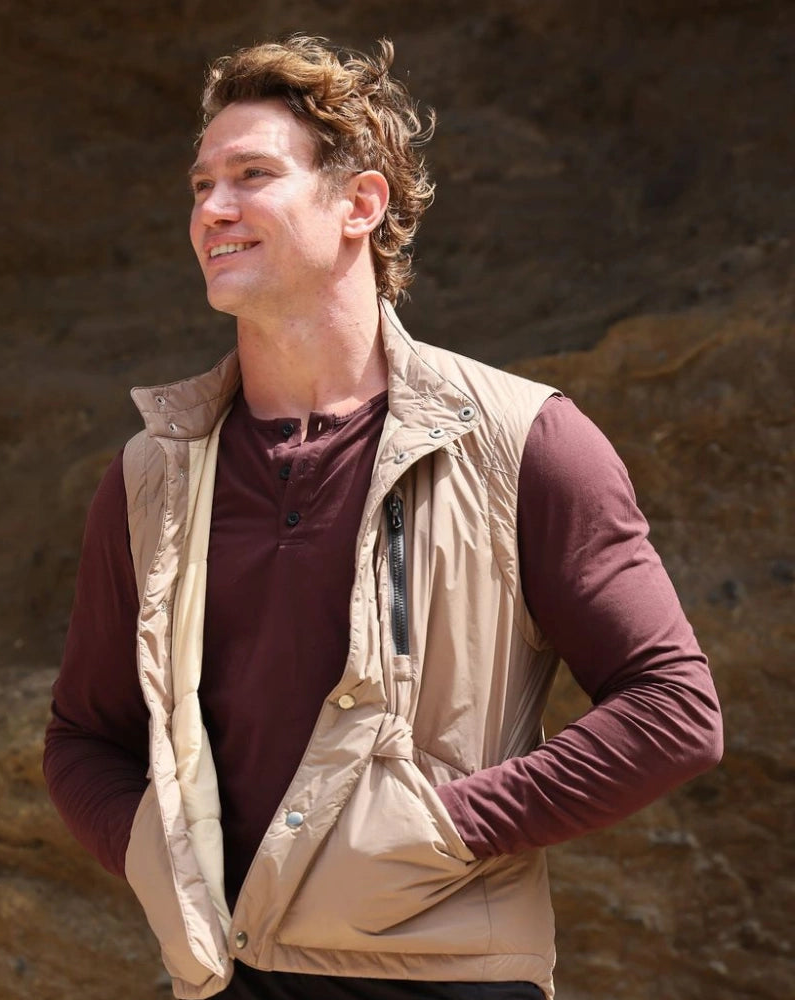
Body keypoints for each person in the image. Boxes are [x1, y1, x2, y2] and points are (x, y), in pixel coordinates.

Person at [43, 36, 723, 1000]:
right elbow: (82, 737)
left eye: (251, 176)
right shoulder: (153, 473)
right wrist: (164, 863)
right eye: (199, 186)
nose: (212, 211)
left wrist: (441, 832)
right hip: (222, 979)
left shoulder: (525, 442)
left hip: (451, 976)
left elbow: (674, 710)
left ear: (360, 204)